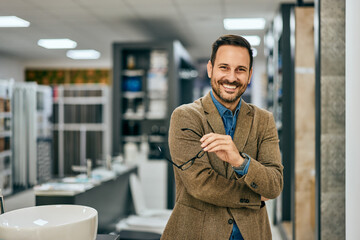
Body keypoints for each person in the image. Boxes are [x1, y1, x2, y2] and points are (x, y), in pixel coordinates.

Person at [160, 34, 284, 240]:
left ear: (250, 74)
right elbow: (200, 185)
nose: (232, 77)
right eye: (224, 67)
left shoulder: (264, 120)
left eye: (240, 70)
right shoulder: (186, 117)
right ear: (210, 69)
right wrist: (253, 197)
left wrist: (240, 161)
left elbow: (274, 185)